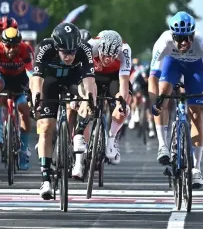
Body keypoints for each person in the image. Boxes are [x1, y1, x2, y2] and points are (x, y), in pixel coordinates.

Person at [149, 11, 203, 189]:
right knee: (163, 94)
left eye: (187, 38)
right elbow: (153, 77)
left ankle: (196, 169)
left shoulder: (201, 42)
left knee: (196, 114)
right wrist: (155, 102)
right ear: (173, 36)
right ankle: (163, 146)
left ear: (193, 35)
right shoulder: (163, 41)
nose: (183, 43)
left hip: (194, 68)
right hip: (171, 64)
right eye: (179, 38)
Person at [31, 22, 97, 199]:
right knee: (45, 127)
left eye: (73, 52)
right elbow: (36, 78)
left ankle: (77, 135)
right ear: (56, 47)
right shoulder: (44, 47)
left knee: (86, 98)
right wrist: (36, 99)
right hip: (50, 83)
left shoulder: (84, 48)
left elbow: (90, 81)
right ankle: (45, 180)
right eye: (65, 52)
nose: (69, 56)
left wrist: (91, 103)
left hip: (73, 82)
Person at [71, 30, 131, 179]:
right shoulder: (90, 47)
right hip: (92, 76)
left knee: (123, 105)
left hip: (114, 78)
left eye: (112, 57)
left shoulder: (125, 50)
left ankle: (111, 138)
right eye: (104, 56)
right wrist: (85, 96)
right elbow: (83, 77)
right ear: (99, 49)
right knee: (88, 99)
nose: (108, 60)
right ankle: (78, 162)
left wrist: (121, 102)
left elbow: (123, 82)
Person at [0, 27, 34, 169]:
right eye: (8, 46)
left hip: (20, 80)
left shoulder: (25, 49)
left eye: (15, 46)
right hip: (3, 79)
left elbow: (31, 72)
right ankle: (1, 130)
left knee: (23, 110)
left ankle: (24, 150)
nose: (12, 49)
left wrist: (34, 89)